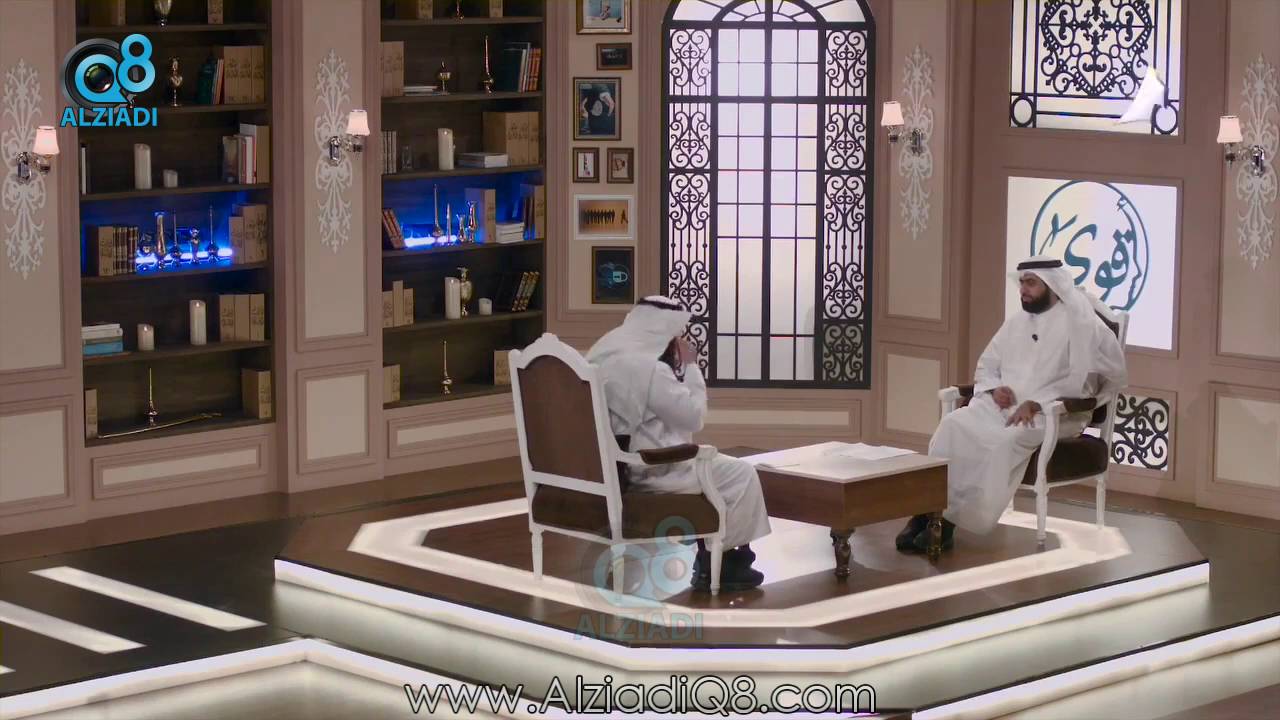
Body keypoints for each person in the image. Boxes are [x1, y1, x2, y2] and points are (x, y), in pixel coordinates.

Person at [897, 256, 1128, 553]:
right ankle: (926, 511)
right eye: (1021, 283)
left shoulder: (1080, 324)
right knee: (953, 426)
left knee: (1002, 443)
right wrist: (995, 388)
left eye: (1031, 283)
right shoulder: (1017, 322)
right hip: (1005, 408)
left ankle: (949, 523)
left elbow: (1086, 383)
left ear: (1052, 285)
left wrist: (1037, 403)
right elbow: (988, 363)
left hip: (1053, 415)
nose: (1023, 290)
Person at [587, 296, 772, 591]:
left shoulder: (603, 353)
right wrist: (691, 366)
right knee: (742, 474)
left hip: (614, 466)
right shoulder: (649, 370)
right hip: (654, 467)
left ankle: (716, 555)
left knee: (726, 473)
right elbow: (693, 418)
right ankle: (723, 563)